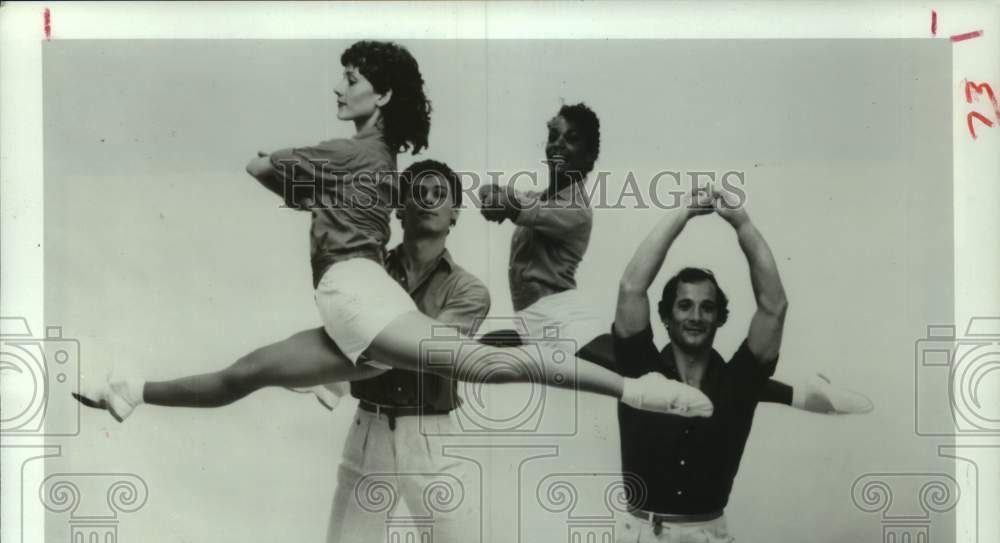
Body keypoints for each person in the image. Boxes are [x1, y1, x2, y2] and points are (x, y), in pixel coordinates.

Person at [73, 42, 711, 424]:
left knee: (488, 365)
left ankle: (640, 391)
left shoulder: (354, 154)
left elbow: (258, 166)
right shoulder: (373, 166)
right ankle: (130, 391)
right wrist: (316, 196)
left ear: (380, 96)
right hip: (356, 302)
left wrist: (303, 185)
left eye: (350, 79)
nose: (339, 87)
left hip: (358, 297)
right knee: (249, 372)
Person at [504, 184, 891, 543]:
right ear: (667, 314)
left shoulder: (740, 379)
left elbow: (774, 307)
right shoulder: (637, 364)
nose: (695, 316)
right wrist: (683, 213)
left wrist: (741, 222)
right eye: (684, 305)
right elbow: (631, 284)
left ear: (718, 317)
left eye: (707, 307)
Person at [286, 159, 515, 543]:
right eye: (417, 193)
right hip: (367, 437)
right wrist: (348, 359)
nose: (429, 202)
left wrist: (348, 355)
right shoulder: (366, 273)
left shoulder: (470, 291)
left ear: (455, 213)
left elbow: (424, 357)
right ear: (399, 208)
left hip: (433, 443)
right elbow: (368, 351)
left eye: (440, 194)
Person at [477, 103, 872, 416]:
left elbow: (515, 207)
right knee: (468, 352)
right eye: (553, 136)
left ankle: (803, 391)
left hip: (560, 317)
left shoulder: (576, 209)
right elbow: (509, 200)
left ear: (590, 156)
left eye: (571, 140)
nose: (558, 146)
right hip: (532, 320)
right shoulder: (539, 197)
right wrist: (494, 195)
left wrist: (501, 200)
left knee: (659, 378)